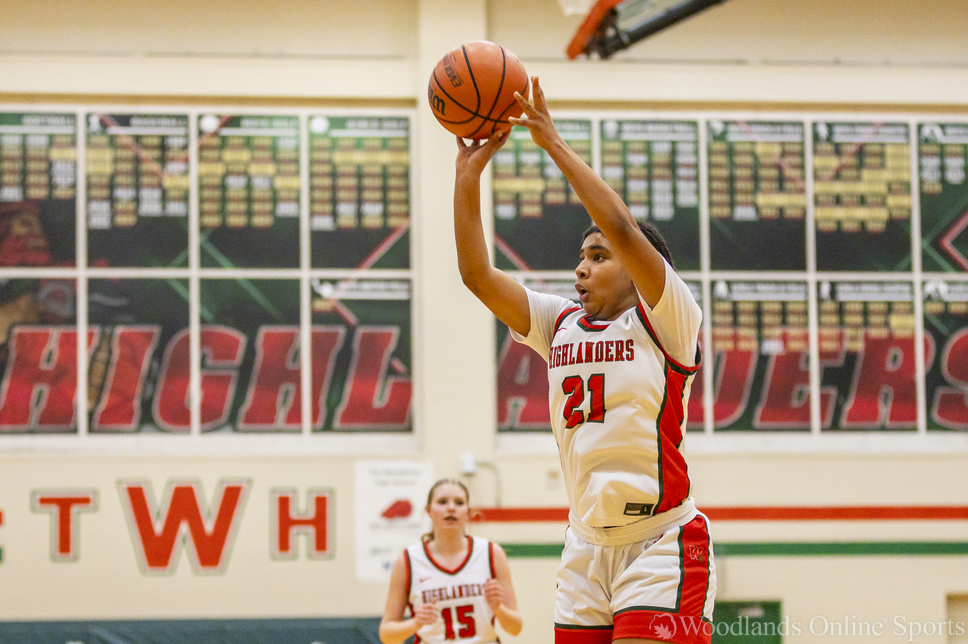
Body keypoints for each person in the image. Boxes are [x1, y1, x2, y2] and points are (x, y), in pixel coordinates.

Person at [452, 76, 716, 644]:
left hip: (660, 540)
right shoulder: (559, 323)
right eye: (581, 256)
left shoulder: (669, 319)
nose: (581, 267)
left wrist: (551, 141)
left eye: (598, 256)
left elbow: (620, 226)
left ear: (638, 269)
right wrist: (466, 178)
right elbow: (476, 275)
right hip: (584, 545)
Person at [379, 479, 522, 644]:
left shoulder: (491, 553)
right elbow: (387, 635)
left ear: (468, 512)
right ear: (428, 511)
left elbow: (515, 628)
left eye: (459, 502)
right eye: (442, 502)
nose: (451, 508)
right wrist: (416, 623)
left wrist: (498, 608)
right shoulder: (408, 560)